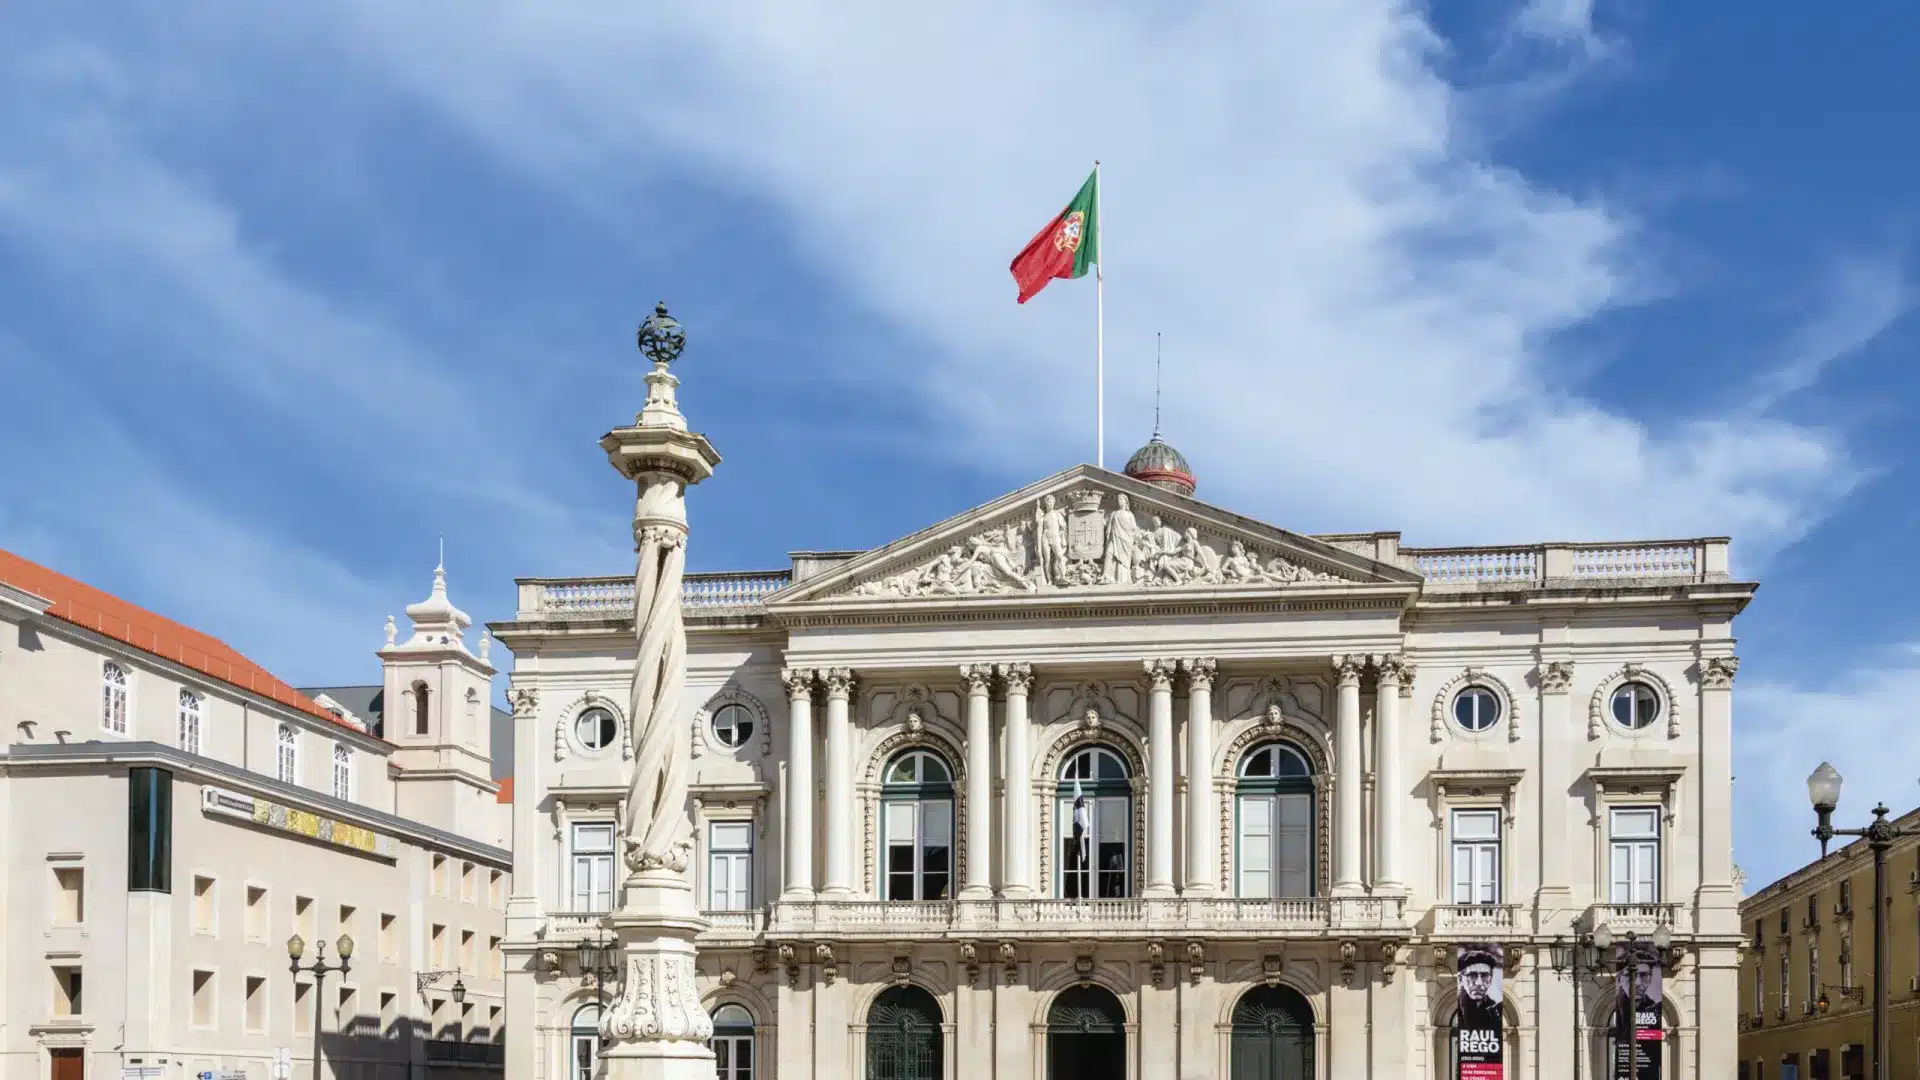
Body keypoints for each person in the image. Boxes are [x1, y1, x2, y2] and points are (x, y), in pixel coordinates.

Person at [1457, 949, 1503, 1033]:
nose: (1479, 983)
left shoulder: (1494, 1009)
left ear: (1491, 978)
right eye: (1472, 975)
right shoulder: (1455, 1009)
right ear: (1460, 979)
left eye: (1485, 975)